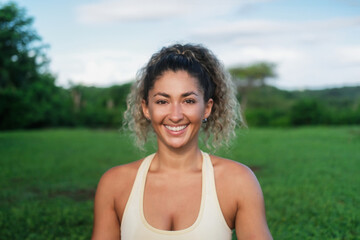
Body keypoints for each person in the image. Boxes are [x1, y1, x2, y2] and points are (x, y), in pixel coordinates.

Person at [92, 43, 273, 240]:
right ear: (146, 108)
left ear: (207, 108)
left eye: (188, 101)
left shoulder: (238, 182)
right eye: (162, 101)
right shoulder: (115, 184)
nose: (176, 116)